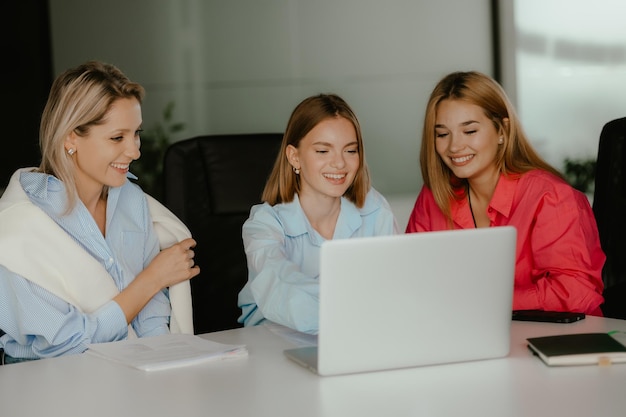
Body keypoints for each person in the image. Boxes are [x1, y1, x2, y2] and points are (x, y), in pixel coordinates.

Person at [0, 61, 200, 364]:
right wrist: (152, 278)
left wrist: (168, 368)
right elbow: (63, 345)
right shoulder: (20, 226)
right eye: (117, 137)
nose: (134, 151)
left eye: (136, 134)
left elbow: (152, 319)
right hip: (49, 385)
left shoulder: (132, 201)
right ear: (71, 138)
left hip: (130, 374)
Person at [406, 71, 605, 315]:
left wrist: (481, 302)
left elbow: (574, 291)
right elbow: (412, 280)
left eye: (469, 131)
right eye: (442, 134)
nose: (454, 146)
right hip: (466, 335)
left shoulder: (551, 197)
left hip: (557, 341)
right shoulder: (433, 197)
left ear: (502, 130)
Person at [237, 93, 398, 334]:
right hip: (273, 342)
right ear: (294, 156)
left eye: (350, 151)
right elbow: (282, 287)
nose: (340, 164)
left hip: (359, 336)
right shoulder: (264, 225)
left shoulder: (374, 209)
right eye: (323, 151)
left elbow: (395, 284)